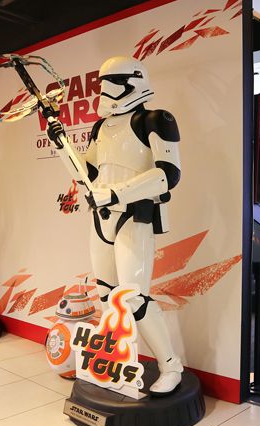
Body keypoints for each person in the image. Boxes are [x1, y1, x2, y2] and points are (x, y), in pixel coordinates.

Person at [48, 56, 183, 395]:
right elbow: (88, 173)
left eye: (114, 82)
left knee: (133, 298)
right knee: (108, 294)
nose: (105, 90)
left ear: (134, 81)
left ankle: (171, 366)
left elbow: (168, 174)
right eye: (103, 83)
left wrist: (117, 192)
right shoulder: (101, 127)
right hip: (102, 217)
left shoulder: (156, 119)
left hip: (134, 214)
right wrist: (62, 145)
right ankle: (118, 363)